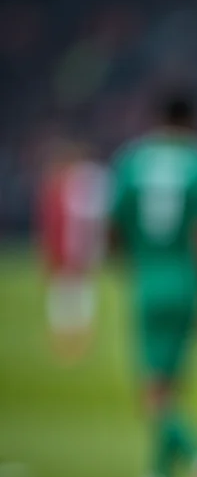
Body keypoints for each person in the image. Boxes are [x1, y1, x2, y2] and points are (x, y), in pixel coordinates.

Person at [110, 89, 197, 477]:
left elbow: (114, 226)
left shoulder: (132, 159)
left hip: (149, 281)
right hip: (187, 283)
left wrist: (132, 261)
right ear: (193, 121)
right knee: (169, 389)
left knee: (156, 395)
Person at [37, 139, 109, 363]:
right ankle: (70, 341)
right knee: (70, 293)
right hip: (72, 252)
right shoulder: (69, 186)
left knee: (71, 292)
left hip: (73, 251)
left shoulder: (70, 186)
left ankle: (72, 341)